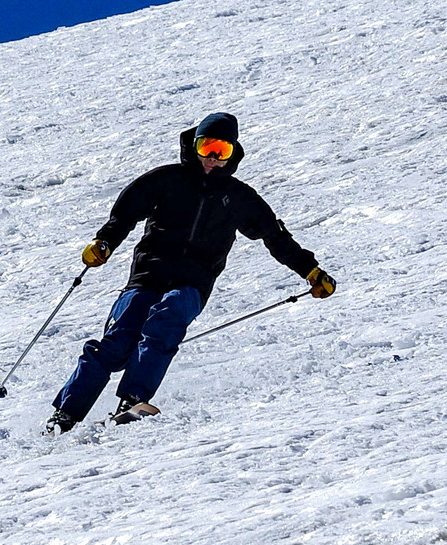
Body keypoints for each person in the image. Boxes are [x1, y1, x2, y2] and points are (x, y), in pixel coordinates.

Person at [47, 112, 336, 431]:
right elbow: (125, 214)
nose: (213, 158)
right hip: (147, 276)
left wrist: (310, 271)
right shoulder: (166, 180)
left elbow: (275, 237)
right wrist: (104, 242)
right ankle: (65, 415)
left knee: (165, 322)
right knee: (116, 343)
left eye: (222, 151)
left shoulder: (239, 198)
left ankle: (132, 401)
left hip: (193, 283)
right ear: (193, 145)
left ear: (233, 154)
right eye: (207, 147)